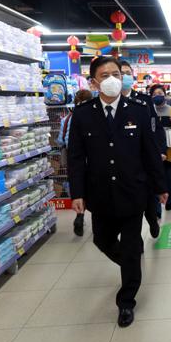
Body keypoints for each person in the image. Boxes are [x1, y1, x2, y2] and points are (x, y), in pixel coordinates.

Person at [68, 56, 168, 328]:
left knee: (132, 244)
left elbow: (150, 152)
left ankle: (126, 301)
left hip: (133, 191)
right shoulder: (83, 114)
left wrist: (161, 186)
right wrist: (77, 193)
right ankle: (130, 263)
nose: (112, 79)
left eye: (116, 73)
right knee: (102, 240)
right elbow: (75, 157)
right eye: (105, 75)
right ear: (93, 82)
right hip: (99, 193)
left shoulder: (138, 110)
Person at [120, 60, 167, 238]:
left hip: (144, 158)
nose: (124, 76)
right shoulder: (111, 102)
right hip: (123, 160)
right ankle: (135, 237)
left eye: (127, 73)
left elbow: (156, 129)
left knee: (148, 195)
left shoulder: (144, 101)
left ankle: (152, 219)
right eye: (121, 73)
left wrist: (160, 150)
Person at [57, 89, 92, 236]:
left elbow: (60, 140)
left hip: (73, 158)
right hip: (91, 158)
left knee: (78, 185)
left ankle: (80, 215)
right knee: (93, 185)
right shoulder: (94, 116)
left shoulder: (67, 119)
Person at [150, 83, 171, 211]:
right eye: (154, 94)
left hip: (170, 149)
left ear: (165, 95)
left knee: (169, 178)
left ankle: (169, 199)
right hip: (154, 148)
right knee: (155, 177)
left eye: (160, 93)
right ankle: (157, 206)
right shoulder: (149, 111)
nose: (157, 96)